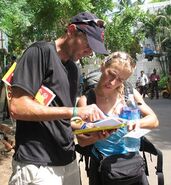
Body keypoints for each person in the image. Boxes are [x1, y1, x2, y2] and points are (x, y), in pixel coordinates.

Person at [8, 12, 109, 185]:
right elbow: (18, 107)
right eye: (88, 44)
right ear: (71, 30)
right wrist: (76, 110)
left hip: (68, 161)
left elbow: (67, 119)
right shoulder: (40, 52)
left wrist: (93, 131)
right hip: (38, 164)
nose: (90, 51)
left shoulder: (73, 70)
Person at [76, 51, 159, 185]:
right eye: (112, 74)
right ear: (103, 66)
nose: (113, 82)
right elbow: (81, 141)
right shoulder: (87, 101)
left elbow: (153, 120)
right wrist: (98, 136)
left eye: (120, 79)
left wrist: (136, 122)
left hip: (134, 167)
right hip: (104, 170)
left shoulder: (129, 93)